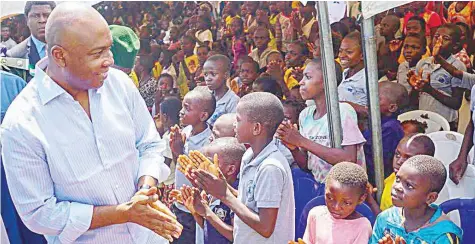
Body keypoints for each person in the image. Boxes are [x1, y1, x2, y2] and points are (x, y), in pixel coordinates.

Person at [1, 3, 182, 243]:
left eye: (109, 49)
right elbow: (39, 214)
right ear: (59, 56)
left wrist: (145, 189)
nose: (109, 60)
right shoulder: (22, 123)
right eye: (97, 54)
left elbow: (149, 144)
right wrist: (123, 214)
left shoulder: (118, 84)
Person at [187, 92, 295, 243]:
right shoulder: (249, 156)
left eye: (238, 120)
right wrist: (218, 184)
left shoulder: (270, 167)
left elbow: (265, 227)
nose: (234, 125)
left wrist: (224, 195)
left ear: (256, 128)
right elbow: (248, 202)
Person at [277, 59, 366, 193]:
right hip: (321, 188)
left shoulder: (343, 111)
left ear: (326, 82)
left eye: (308, 77)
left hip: (347, 193)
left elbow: (348, 160)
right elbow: (307, 165)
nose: (301, 82)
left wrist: (301, 140)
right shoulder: (305, 115)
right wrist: (293, 148)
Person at [370, 155, 462, 243]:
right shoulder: (386, 218)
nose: (397, 187)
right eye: (398, 179)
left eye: (409, 185)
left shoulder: (443, 234)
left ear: (430, 198)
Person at [169, 87, 215, 244]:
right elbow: (179, 167)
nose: (181, 112)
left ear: (203, 115)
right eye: (182, 106)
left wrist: (179, 151)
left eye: (187, 108)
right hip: (179, 204)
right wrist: (176, 152)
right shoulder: (186, 131)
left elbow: (200, 179)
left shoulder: (208, 143)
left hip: (193, 210)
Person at [181, 137, 246, 244]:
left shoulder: (237, 194)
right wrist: (196, 212)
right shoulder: (211, 191)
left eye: (208, 163)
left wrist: (207, 212)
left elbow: (237, 236)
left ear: (230, 169)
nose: (201, 168)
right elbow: (209, 227)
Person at [411, 24, 467, 131]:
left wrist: (429, 89)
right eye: (436, 36)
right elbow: (416, 97)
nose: (438, 41)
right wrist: (415, 85)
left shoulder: (457, 67)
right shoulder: (423, 63)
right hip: (424, 120)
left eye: (445, 39)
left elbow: (456, 103)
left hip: (445, 122)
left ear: (455, 45)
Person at [303, 162, 372, 244]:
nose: (336, 207)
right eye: (330, 198)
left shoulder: (362, 226)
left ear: (361, 199)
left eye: (347, 203)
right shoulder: (316, 215)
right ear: (325, 190)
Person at [364, 82, 407, 185]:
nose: (370, 101)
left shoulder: (391, 129)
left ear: (392, 107)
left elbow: (378, 160)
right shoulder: (377, 123)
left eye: (377, 99)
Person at [6, 1, 56, 81]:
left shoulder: (69, 49)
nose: (42, 20)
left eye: (47, 15)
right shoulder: (14, 55)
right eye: (36, 16)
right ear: (27, 20)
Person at [153, 97, 182, 208]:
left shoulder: (169, 137)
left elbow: (166, 163)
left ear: (164, 117)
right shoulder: (177, 132)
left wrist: (158, 184)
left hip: (170, 182)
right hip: (174, 180)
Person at [203, 54, 240, 126]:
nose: (208, 78)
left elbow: (232, 127)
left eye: (213, 74)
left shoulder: (233, 101)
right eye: (205, 74)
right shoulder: (204, 95)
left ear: (226, 75)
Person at [338, 31, 368, 112]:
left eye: (349, 52)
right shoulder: (345, 72)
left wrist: (345, 105)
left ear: (362, 55)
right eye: (340, 51)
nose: (342, 56)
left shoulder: (367, 78)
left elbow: (371, 112)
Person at [377, 15, 400, 80]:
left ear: (394, 29)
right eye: (381, 25)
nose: (381, 28)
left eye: (385, 26)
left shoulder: (396, 45)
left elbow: (393, 67)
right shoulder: (381, 44)